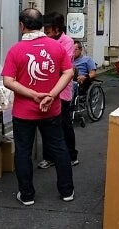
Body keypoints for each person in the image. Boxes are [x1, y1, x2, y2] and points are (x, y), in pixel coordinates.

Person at [2, 8, 75, 206]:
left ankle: (27, 195)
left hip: (24, 112)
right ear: (42, 25)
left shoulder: (15, 50)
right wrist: (51, 95)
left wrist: (33, 95)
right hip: (52, 109)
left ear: (22, 26)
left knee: (23, 152)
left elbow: (8, 81)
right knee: (59, 148)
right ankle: (67, 191)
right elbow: (69, 73)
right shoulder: (56, 47)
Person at [37, 12, 79, 170]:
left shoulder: (67, 41)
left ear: (58, 28)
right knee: (46, 124)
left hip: (62, 90)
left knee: (64, 124)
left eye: (49, 28)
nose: (46, 30)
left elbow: (64, 66)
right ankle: (49, 157)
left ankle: (71, 155)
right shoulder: (44, 40)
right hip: (45, 89)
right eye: (45, 27)